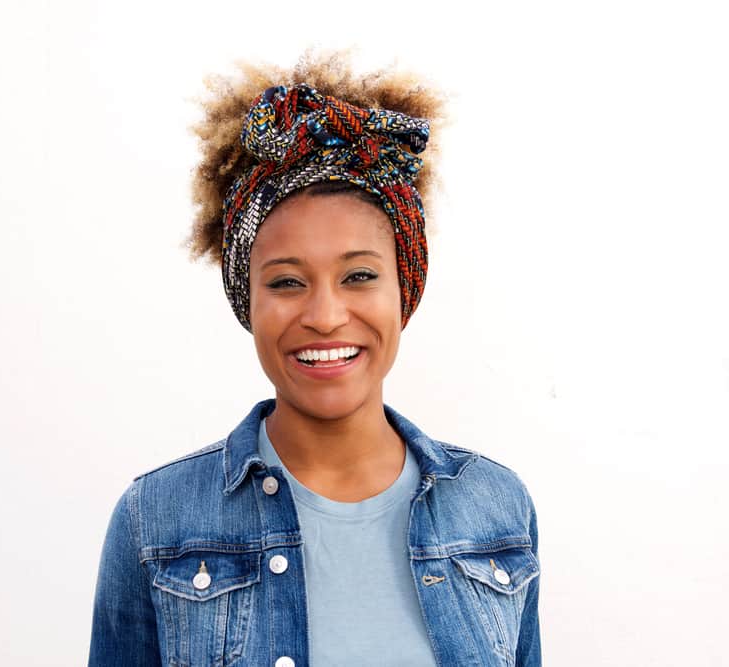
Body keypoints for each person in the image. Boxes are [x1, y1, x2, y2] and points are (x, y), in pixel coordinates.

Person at [88, 51, 541, 667]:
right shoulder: (156, 522)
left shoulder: (495, 507)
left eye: (358, 275)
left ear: (404, 291)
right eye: (286, 282)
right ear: (248, 300)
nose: (325, 315)